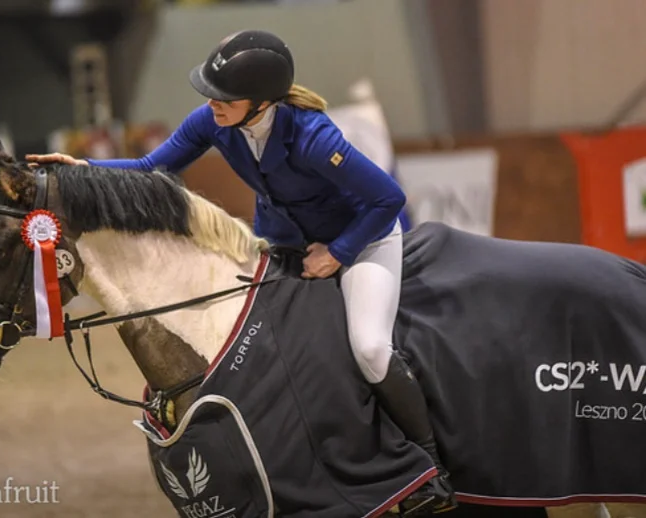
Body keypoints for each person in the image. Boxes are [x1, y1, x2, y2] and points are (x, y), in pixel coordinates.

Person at [28, 29, 455, 512]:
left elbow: (388, 199)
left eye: (224, 97)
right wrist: (81, 169)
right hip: (282, 243)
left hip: (363, 237)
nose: (212, 104)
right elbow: (152, 167)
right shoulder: (214, 122)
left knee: (371, 349)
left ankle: (430, 469)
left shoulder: (314, 137)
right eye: (210, 94)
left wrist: (338, 252)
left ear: (261, 103)